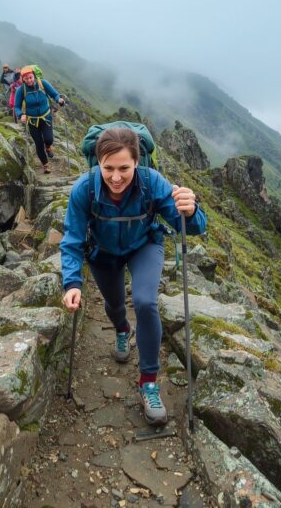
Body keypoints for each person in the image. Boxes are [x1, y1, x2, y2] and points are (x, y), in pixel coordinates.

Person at [59, 127, 206, 425]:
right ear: (97, 163)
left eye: (124, 168)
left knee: (146, 302)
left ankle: (149, 382)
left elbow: (191, 227)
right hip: (103, 252)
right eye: (108, 168)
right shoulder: (84, 189)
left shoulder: (153, 183)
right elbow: (72, 239)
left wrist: (191, 211)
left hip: (144, 246)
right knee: (114, 305)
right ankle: (123, 330)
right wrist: (72, 283)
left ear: (137, 163)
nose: (115, 177)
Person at [14, 65, 65, 173]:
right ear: (23, 79)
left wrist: (59, 99)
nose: (29, 80)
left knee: (49, 139)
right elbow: (17, 106)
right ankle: (46, 165)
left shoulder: (43, 83)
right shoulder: (21, 90)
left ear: (34, 76)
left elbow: (54, 94)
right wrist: (20, 115)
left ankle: (48, 147)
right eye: (26, 78)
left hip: (46, 117)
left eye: (30, 77)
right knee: (38, 143)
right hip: (32, 121)